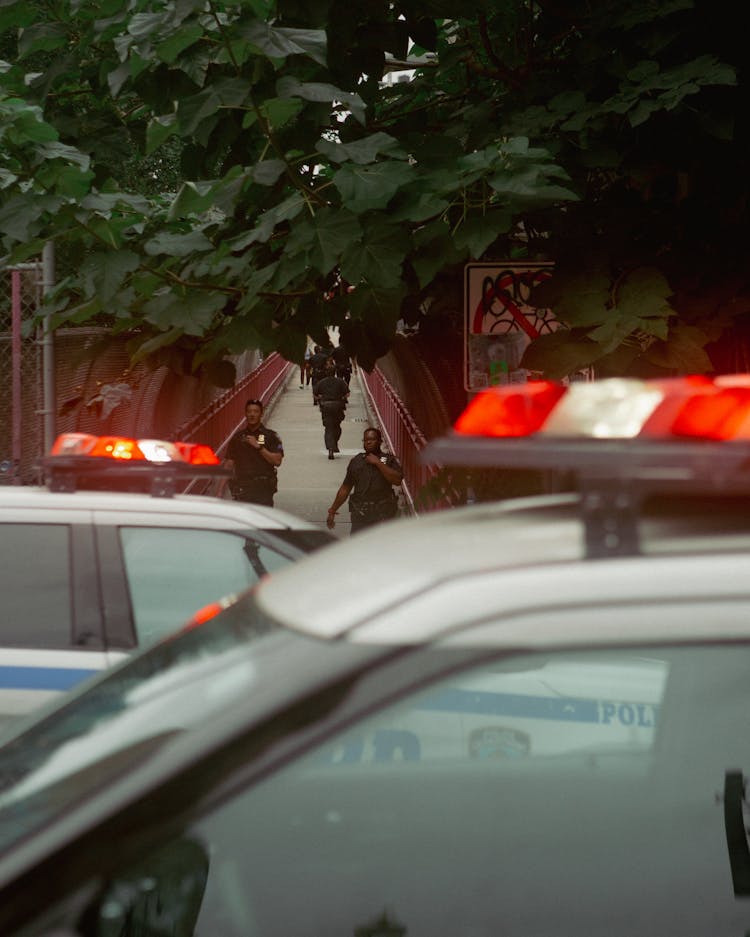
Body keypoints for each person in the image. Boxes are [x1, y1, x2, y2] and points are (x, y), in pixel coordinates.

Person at [326, 427, 403, 534]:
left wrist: (378, 463)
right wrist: (332, 510)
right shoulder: (356, 461)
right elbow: (345, 488)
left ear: (380, 441)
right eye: (366, 440)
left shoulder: (389, 460)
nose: (368, 442)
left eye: (372, 439)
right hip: (360, 514)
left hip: (383, 514)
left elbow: (397, 480)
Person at [221, 398, 283, 506]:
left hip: (263, 489)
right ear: (245, 414)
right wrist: (220, 490)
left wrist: (259, 447)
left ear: (261, 413)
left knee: (263, 521)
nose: (252, 415)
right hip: (242, 488)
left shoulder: (271, 436)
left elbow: (277, 461)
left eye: (255, 411)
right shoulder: (238, 438)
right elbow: (229, 464)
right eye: (249, 411)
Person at [314, 358, 350, 459]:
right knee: (337, 427)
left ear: (326, 372)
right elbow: (347, 394)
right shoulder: (341, 382)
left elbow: (315, 395)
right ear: (335, 372)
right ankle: (334, 443)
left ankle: (330, 448)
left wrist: (320, 400)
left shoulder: (321, 382)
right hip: (338, 406)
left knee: (328, 428)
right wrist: (341, 398)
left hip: (326, 407)